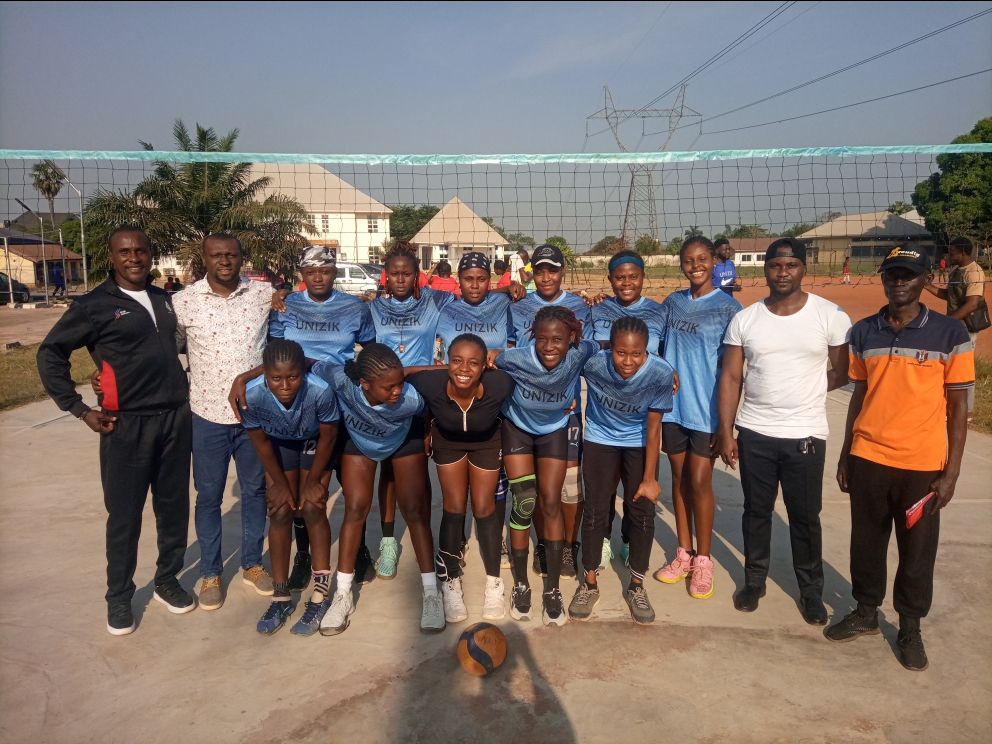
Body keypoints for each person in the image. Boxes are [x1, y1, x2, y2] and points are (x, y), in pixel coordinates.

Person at [37, 227, 195, 635]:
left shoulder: (167, 299)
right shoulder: (92, 305)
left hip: (175, 418)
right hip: (125, 425)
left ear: (151, 253)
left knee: (174, 509)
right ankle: (119, 597)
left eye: (141, 249)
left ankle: (166, 581)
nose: (134, 257)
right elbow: (50, 353)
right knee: (124, 516)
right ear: (111, 256)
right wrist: (78, 408)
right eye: (125, 251)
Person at [828, 246, 974, 671]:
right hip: (868, 456)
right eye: (892, 274)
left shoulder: (949, 334)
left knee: (916, 550)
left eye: (908, 275)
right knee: (866, 541)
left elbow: (960, 408)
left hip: (922, 465)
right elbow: (858, 393)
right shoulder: (865, 331)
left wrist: (951, 473)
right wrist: (845, 453)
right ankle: (866, 612)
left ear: (926, 279)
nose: (899, 282)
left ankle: (910, 627)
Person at [717, 237, 852, 625]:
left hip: (806, 433)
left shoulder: (830, 316)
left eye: (791, 265)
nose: (782, 272)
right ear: (766, 269)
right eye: (775, 265)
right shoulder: (746, 318)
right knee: (756, 512)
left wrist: (804, 389)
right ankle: (753, 582)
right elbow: (730, 376)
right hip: (755, 431)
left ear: (803, 269)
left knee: (805, 517)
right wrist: (726, 431)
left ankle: (811, 592)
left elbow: (842, 371)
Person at [170, 234, 276, 609]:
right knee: (209, 497)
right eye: (217, 255)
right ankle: (210, 573)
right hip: (206, 415)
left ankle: (251, 563)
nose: (225, 261)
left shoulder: (264, 296)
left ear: (242, 257)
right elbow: (168, 350)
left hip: (253, 414)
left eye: (231, 254)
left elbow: (280, 348)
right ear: (205, 258)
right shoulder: (183, 302)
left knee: (254, 492)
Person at [313, 345, 445, 635]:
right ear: (365, 383)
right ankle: (342, 595)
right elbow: (307, 362)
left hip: (401, 437)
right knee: (356, 508)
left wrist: (425, 434)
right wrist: (245, 377)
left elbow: (425, 409)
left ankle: (432, 592)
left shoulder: (410, 400)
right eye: (389, 386)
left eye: (400, 382)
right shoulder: (341, 380)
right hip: (359, 440)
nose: (398, 390)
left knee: (414, 510)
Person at [267, 244, 377, 589]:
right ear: (302, 273)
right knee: (303, 492)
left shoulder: (353, 307)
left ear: (334, 272)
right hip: (297, 411)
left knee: (347, 482)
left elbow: (369, 351)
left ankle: (358, 548)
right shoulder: (286, 305)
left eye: (326, 270)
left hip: (342, 407)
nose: (319, 277)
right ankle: (304, 557)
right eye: (311, 271)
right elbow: (273, 353)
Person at [496, 306, 599, 625]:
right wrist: (490, 352)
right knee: (525, 501)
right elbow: (493, 360)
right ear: (532, 338)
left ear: (572, 338)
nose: (550, 345)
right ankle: (522, 585)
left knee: (552, 502)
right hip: (517, 428)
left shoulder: (581, 351)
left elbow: (607, 348)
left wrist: (662, 365)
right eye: (542, 338)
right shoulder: (515, 358)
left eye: (558, 339)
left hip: (554, 429)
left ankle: (552, 588)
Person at [652, 236, 742, 601]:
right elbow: (654, 344)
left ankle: (704, 559)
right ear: (682, 264)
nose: (695, 265)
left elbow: (732, 372)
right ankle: (684, 553)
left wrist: (727, 425)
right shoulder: (672, 302)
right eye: (688, 260)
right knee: (678, 479)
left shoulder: (728, 308)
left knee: (700, 480)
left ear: (713, 262)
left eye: (702, 259)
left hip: (705, 412)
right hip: (674, 408)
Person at [569, 317, 673, 625]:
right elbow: (563, 362)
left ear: (647, 351)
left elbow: (654, 430)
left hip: (639, 441)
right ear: (609, 348)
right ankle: (588, 583)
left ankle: (637, 586)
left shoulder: (659, 373)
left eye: (637, 354)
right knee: (596, 510)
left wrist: (650, 477)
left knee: (641, 510)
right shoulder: (594, 362)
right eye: (621, 353)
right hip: (600, 438)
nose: (628, 361)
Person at [406, 334, 516, 622]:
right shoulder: (430, 382)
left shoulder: (500, 383)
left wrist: (566, 401)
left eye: (473, 363)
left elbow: (532, 370)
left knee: (484, 509)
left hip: (487, 442)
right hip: (448, 441)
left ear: (484, 367)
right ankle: (451, 582)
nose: (464, 369)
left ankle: (494, 582)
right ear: (446, 364)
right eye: (456, 361)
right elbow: (397, 373)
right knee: (454, 507)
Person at [239, 339, 341, 636]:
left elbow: (329, 437)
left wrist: (312, 482)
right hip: (279, 444)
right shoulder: (253, 394)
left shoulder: (320, 391)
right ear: (265, 374)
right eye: (276, 378)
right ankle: (281, 596)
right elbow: (259, 441)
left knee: (312, 507)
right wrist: (280, 485)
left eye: (293, 376)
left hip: (314, 443)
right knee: (281, 510)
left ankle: (320, 595)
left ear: (303, 373)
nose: (284, 385)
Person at [368, 241, 457, 580]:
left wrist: (509, 286)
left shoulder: (436, 301)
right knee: (388, 471)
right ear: (386, 276)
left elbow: (477, 296)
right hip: (384, 399)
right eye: (395, 274)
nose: (401, 279)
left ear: (418, 275)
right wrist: (281, 295)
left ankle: (426, 536)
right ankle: (388, 542)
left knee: (419, 469)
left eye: (407, 273)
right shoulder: (373, 309)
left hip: (421, 397)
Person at [508, 243, 594, 581]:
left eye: (552, 270)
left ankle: (569, 546)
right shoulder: (518, 304)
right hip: (527, 406)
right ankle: (544, 544)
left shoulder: (579, 306)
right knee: (538, 487)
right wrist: (507, 287)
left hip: (566, 406)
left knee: (570, 485)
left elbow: (589, 349)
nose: (546, 277)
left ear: (562, 272)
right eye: (539, 270)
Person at [591, 249, 668, 568]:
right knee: (605, 488)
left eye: (633, 276)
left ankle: (627, 540)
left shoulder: (658, 311)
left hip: (641, 414)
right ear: (610, 280)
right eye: (619, 277)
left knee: (635, 487)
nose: (626, 282)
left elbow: (662, 353)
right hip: (604, 416)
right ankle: (604, 538)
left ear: (642, 277)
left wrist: (667, 367)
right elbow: (587, 350)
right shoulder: (596, 308)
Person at [924, 237, 987, 419]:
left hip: (965, 328)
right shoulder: (955, 271)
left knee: (963, 368)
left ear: (963, 253)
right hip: (953, 325)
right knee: (946, 365)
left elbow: (972, 304)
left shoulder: (974, 272)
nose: (949, 256)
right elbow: (949, 295)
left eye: (952, 253)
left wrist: (947, 323)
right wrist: (927, 286)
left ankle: (967, 410)